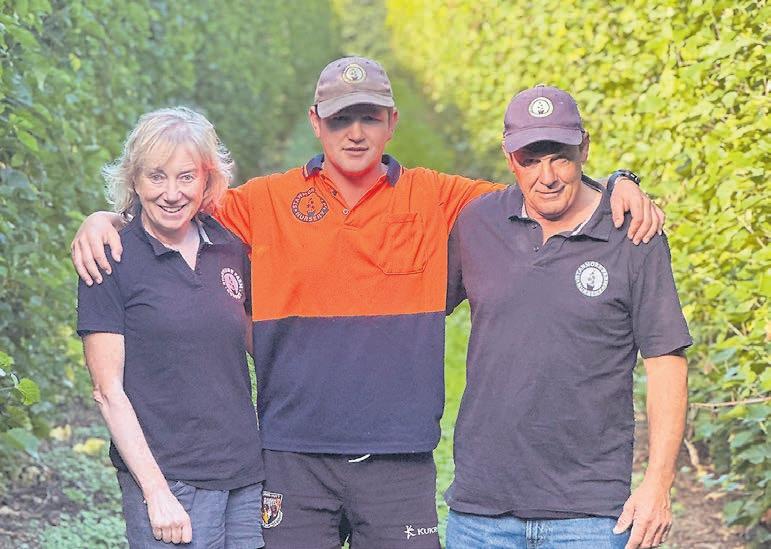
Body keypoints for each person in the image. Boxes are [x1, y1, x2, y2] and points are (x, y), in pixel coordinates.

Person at [71, 58, 663, 549]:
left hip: (399, 458)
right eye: (340, 119)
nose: (355, 133)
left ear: (391, 122)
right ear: (315, 123)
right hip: (293, 456)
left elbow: (540, 194)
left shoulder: (442, 198)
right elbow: (174, 208)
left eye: (369, 117)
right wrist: (107, 219)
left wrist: (618, 183)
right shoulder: (264, 202)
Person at [444, 85, 691, 549]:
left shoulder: (633, 233)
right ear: (509, 158)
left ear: (584, 149)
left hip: (589, 516)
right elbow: (413, 307)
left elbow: (666, 361)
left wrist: (658, 485)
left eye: (560, 157)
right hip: (480, 511)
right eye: (530, 160)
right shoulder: (478, 223)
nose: (547, 177)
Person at [76, 107, 264, 548]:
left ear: (206, 179)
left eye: (186, 177)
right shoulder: (110, 258)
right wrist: (156, 492)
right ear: (134, 180)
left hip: (245, 478)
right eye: (156, 176)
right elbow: (108, 392)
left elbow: (263, 346)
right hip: (171, 481)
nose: (172, 193)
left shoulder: (229, 247)